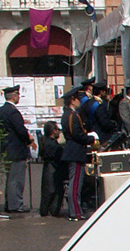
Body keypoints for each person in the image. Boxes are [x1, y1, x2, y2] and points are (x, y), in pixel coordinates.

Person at [0, 85, 33, 213]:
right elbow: (20, 130)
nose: (18, 97)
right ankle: (16, 204)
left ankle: (10, 203)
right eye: (17, 95)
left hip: (7, 148)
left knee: (11, 178)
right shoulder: (12, 111)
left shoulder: (1, 111)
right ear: (13, 96)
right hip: (16, 149)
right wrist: (29, 140)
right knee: (17, 180)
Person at [61, 89, 93, 221]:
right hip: (75, 151)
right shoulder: (72, 116)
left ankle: (75, 211)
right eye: (78, 99)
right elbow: (77, 135)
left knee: (75, 183)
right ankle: (75, 212)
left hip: (72, 150)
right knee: (75, 185)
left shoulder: (67, 114)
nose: (79, 101)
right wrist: (90, 139)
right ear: (73, 100)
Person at [38, 121, 65, 217]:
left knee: (48, 191)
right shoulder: (52, 145)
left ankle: (47, 210)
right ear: (54, 131)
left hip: (49, 169)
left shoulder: (45, 142)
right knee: (52, 191)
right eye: (58, 130)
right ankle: (51, 210)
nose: (59, 132)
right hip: (53, 170)